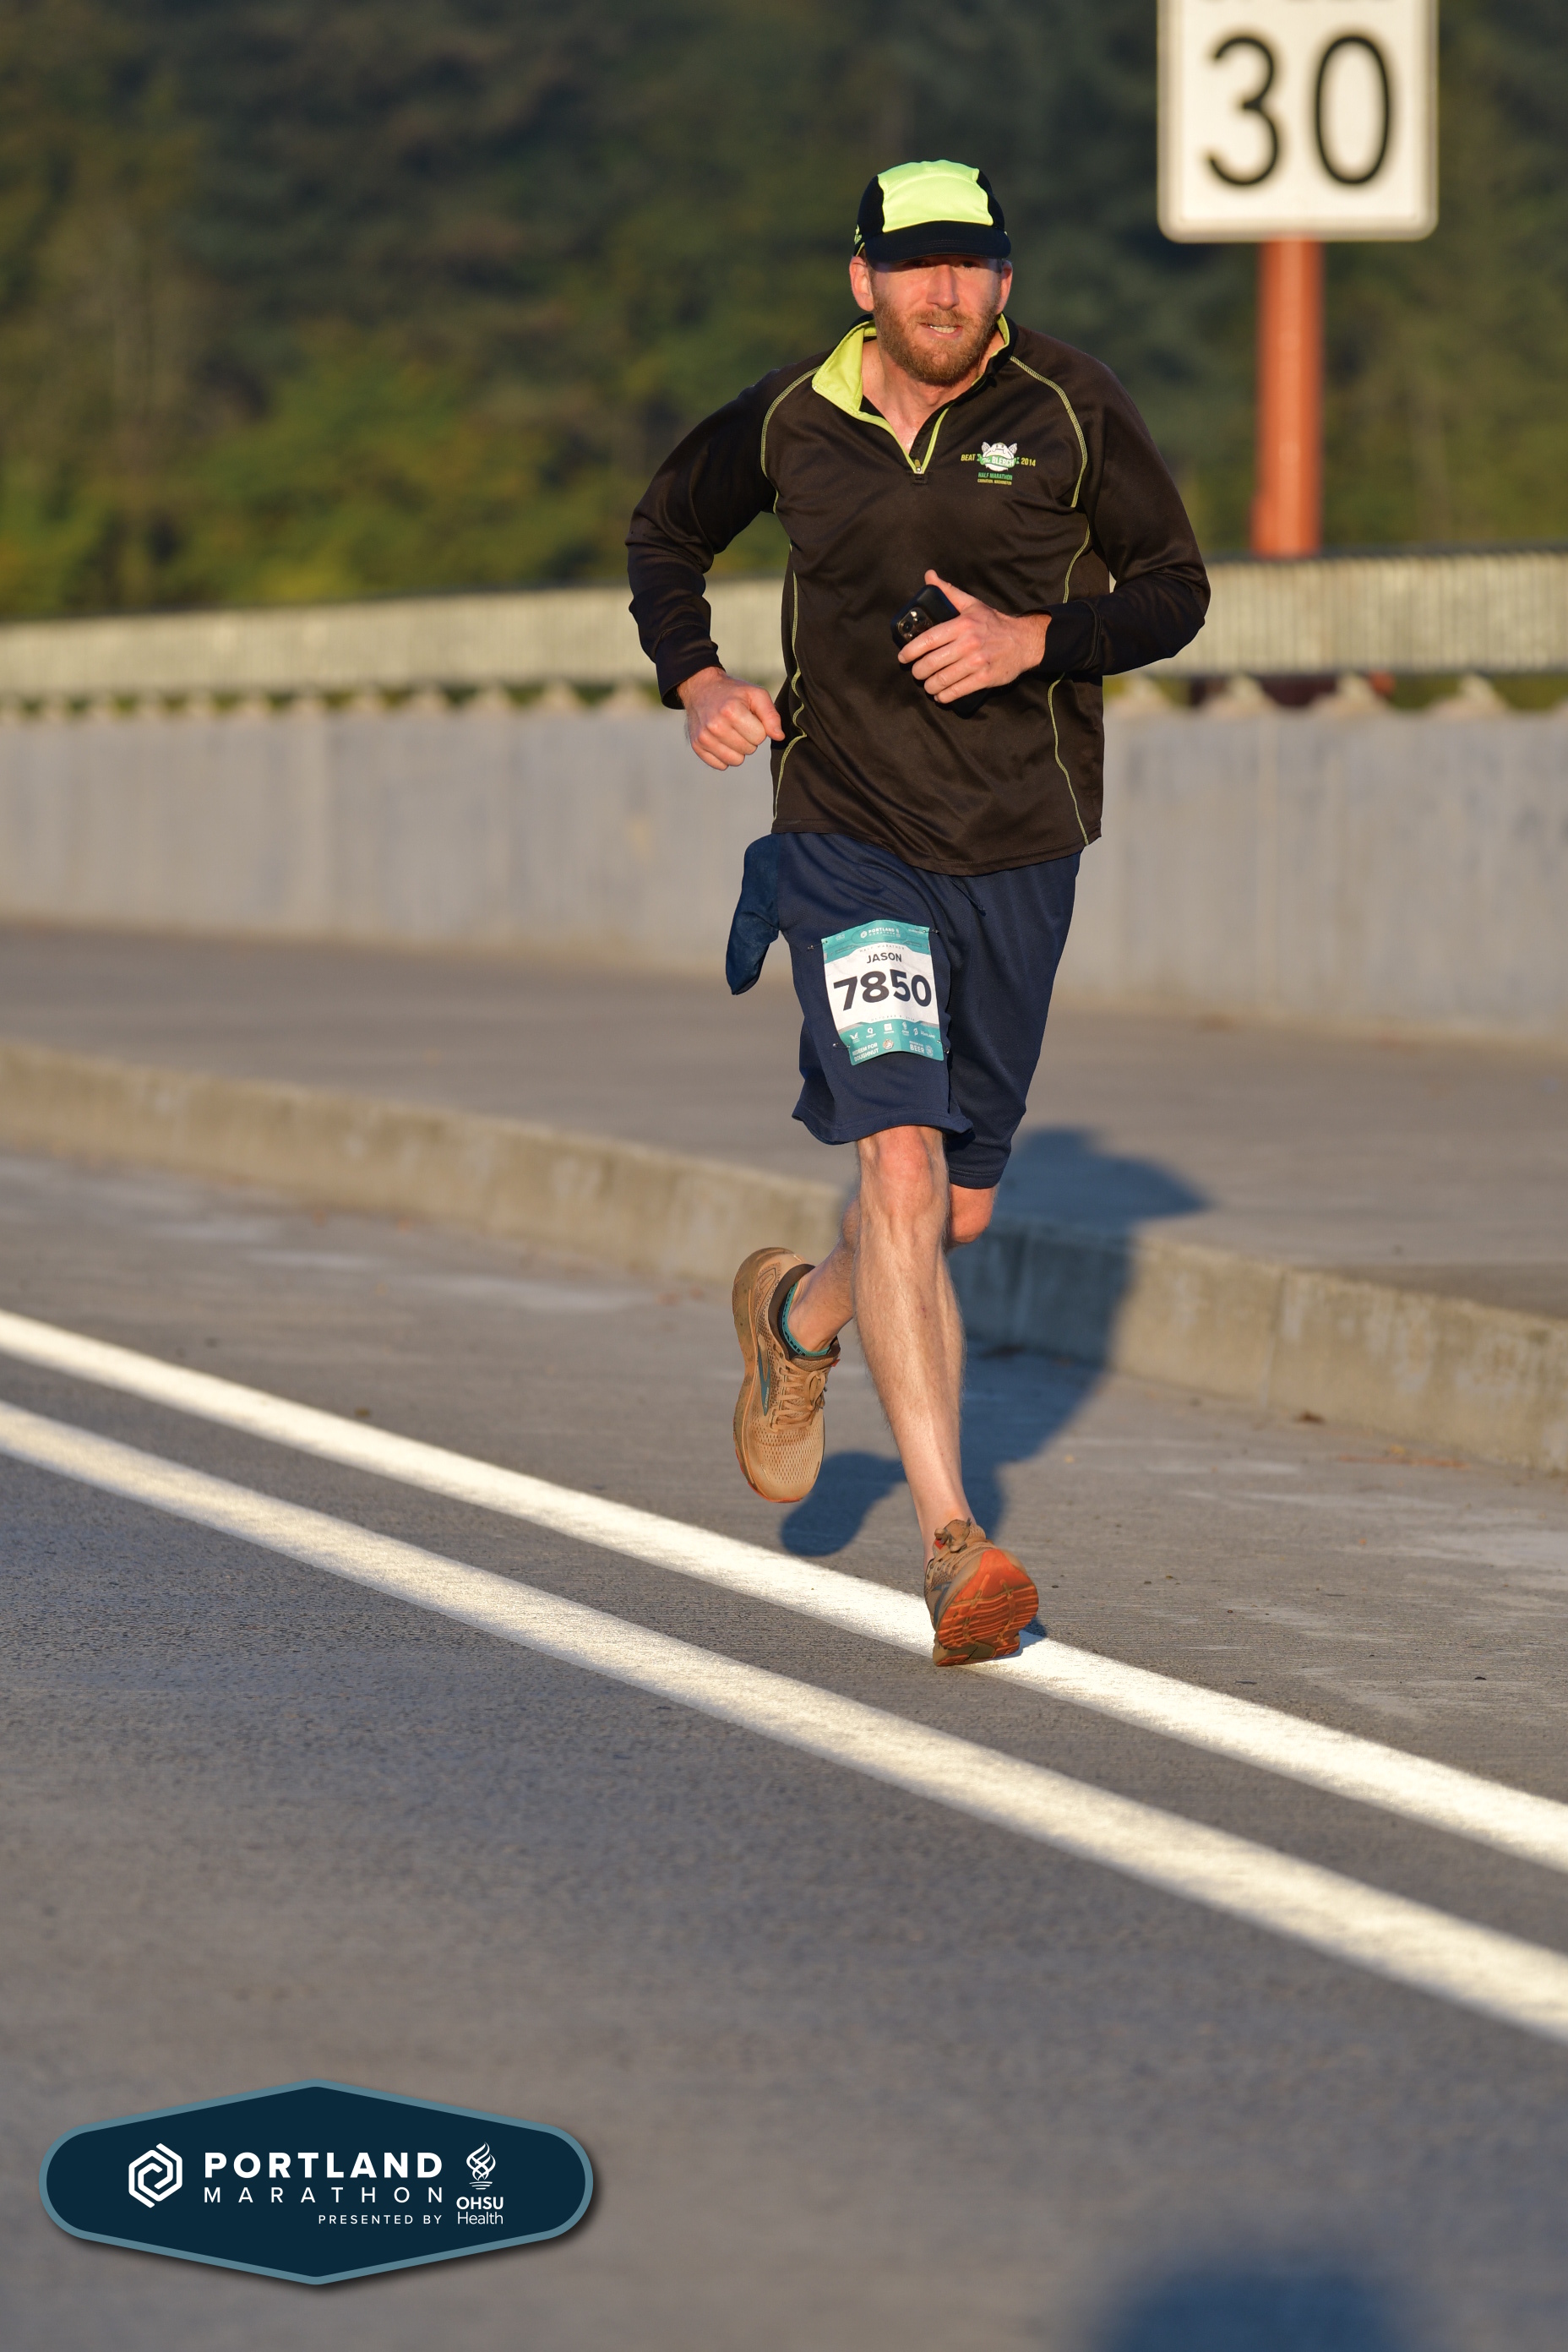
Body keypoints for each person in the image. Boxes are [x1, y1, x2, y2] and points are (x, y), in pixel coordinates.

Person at [628, 158, 1207, 1664]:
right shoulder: (791, 418)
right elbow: (665, 536)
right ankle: (955, 1544)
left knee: (952, 1206)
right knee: (897, 1156)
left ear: (1004, 278)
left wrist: (1035, 640)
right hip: (847, 839)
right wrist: (699, 678)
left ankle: (797, 1322)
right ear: (864, 280)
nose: (944, 291)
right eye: (916, 264)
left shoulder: (1069, 405)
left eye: (970, 264)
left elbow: (1176, 589)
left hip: (1018, 843)